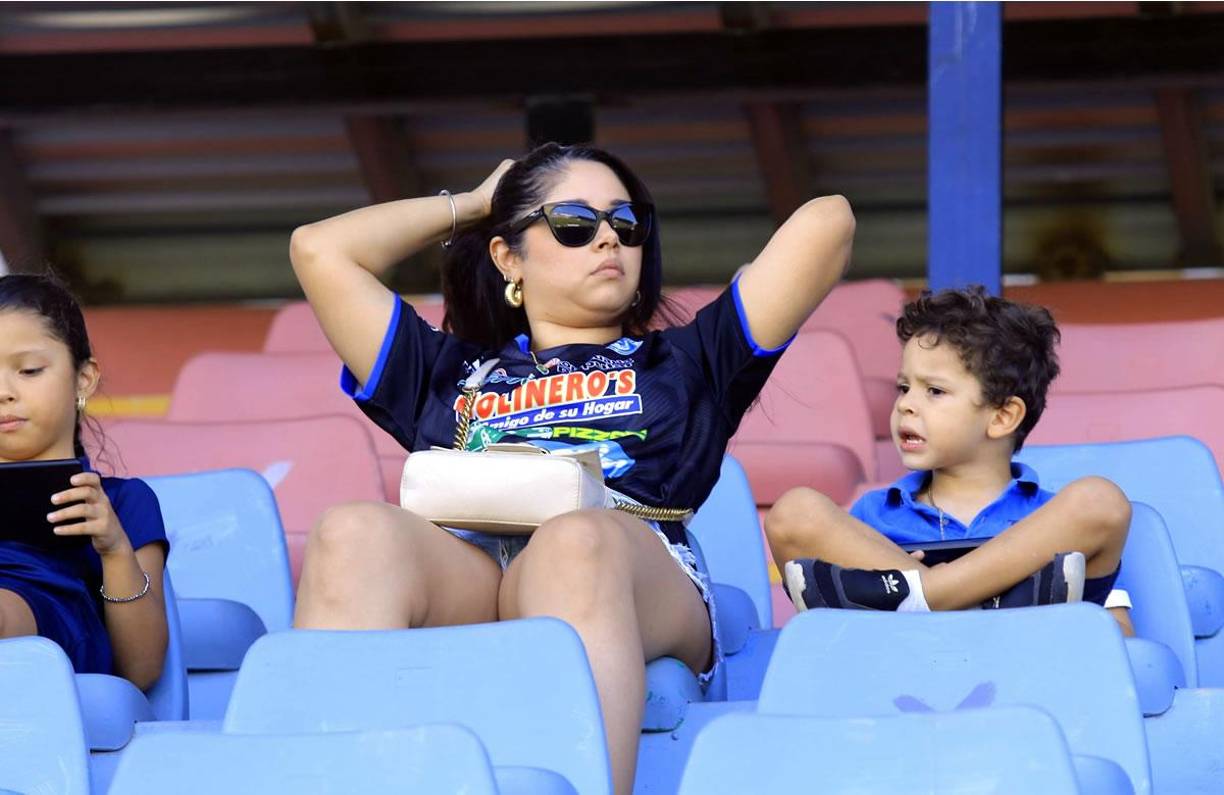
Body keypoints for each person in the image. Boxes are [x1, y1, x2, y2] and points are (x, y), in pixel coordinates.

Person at [289, 142, 855, 793]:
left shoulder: (689, 360)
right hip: (472, 572)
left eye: (627, 222)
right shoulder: (448, 372)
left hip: (628, 568)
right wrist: (475, 204)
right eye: (575, 224)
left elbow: (829, 220)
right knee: (352, 532)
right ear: (509, 256)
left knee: (573, 541)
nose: (608, 239)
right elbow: (318, 251)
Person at [767, 286, 1134, 634]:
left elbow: (1119, 637)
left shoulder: (1051, 521)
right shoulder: (874, 517)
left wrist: (929, 586)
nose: (906, 404)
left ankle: (918, 595)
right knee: (794, 510)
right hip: (901, 673)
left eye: (935, 391)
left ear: (1002, 417)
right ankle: (979, 607)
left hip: (1023, 669)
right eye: (904, 387)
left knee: (1099, 499)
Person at [0, 273, 169, 687]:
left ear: (83, 378)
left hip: (58, 639)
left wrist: (114, 549)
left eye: (29, 370)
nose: (3, 391)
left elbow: (143, 670)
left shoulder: (123, 502)